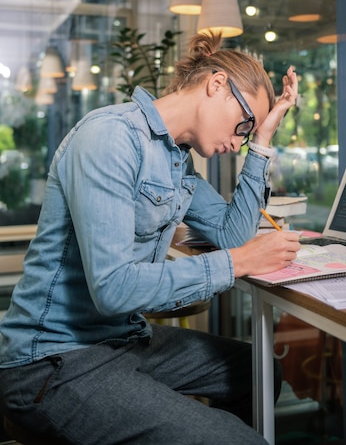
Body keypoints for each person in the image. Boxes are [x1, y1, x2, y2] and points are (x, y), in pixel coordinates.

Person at [0, 31, 300, 445]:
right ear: (216, 86)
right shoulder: (111, 138)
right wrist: (239, 263)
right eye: (245, 125)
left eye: (249, 134)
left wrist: (262, 144)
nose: (238, 142)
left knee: (258, 369)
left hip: (120, 341)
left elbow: (233, 234)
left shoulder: (176, 161)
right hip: (52, 360)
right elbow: (114, 288)